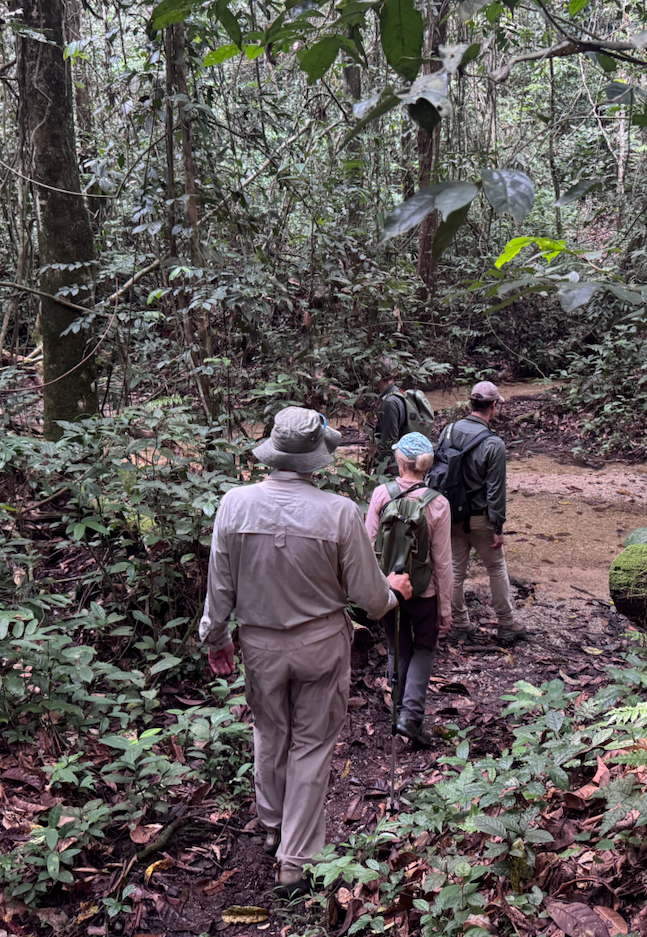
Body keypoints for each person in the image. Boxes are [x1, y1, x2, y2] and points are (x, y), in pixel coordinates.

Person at [200, 407, 413, 896]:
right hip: (320, 642)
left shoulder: (234, 504)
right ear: (318, 460)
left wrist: (216, 638)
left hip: (258, 643)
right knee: (312, 745)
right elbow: (370, 598)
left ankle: (273, 826)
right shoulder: (337, 511)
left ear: (273, 453)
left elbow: (219, 588)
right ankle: (294, 861)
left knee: (271, 732)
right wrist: (396, 590)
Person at [365, 432, 454, 748]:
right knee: (425, 647)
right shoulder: (438, 503)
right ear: (427, 465)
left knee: (396, 647)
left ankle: (397, 713)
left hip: (389, 588)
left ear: (400, 461)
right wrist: (446, 606)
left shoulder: (380, 496)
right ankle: (410, 717)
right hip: (423, 591)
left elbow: (369, 547)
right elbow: (442, 562)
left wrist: (374, 592)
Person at [443, 381, 528, 645]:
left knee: (456, 572)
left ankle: (460, 623)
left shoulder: (448, 431)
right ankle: (506, 624)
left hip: (452, 515)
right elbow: (496, 492)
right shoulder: (493, 444)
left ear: (470, 404)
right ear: (493, 406)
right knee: (496, 569)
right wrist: (498, 527)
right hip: (481, 518)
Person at [372, 360, 409, 475]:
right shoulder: (397, 393)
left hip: (393, 467)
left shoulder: (389, 403)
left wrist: (379, 469)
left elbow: (389, 442)